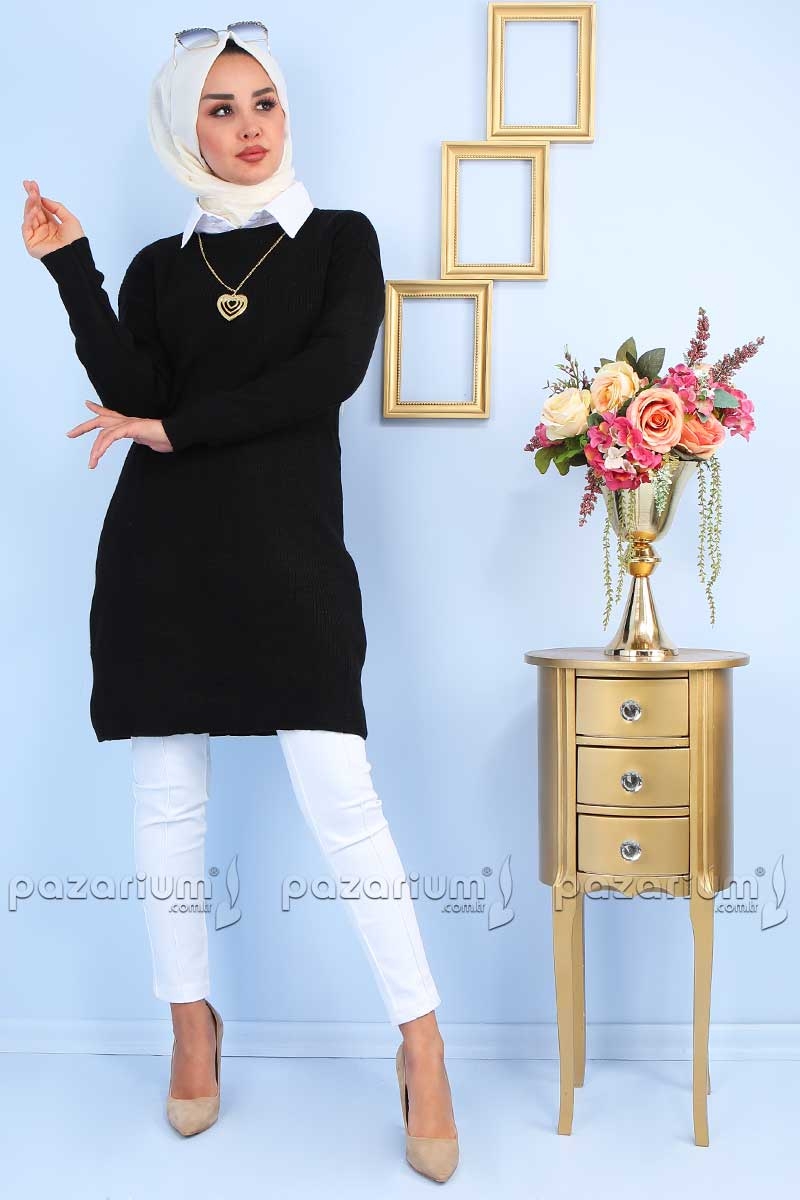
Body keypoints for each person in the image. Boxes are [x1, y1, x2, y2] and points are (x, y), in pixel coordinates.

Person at [22, 22, 458, 1183]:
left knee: (342, 798)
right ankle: (189, 1024)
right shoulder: (158, 270)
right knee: (168, 805)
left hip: (289, 558)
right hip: (162, 561)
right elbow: (131, 390)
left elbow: (327, 374)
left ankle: (421, 1043)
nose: (248, 126)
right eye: (218, 108)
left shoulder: (341, 241)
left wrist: (179, 428)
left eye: (261, 101)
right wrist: (73, 268)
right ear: (186, 129)